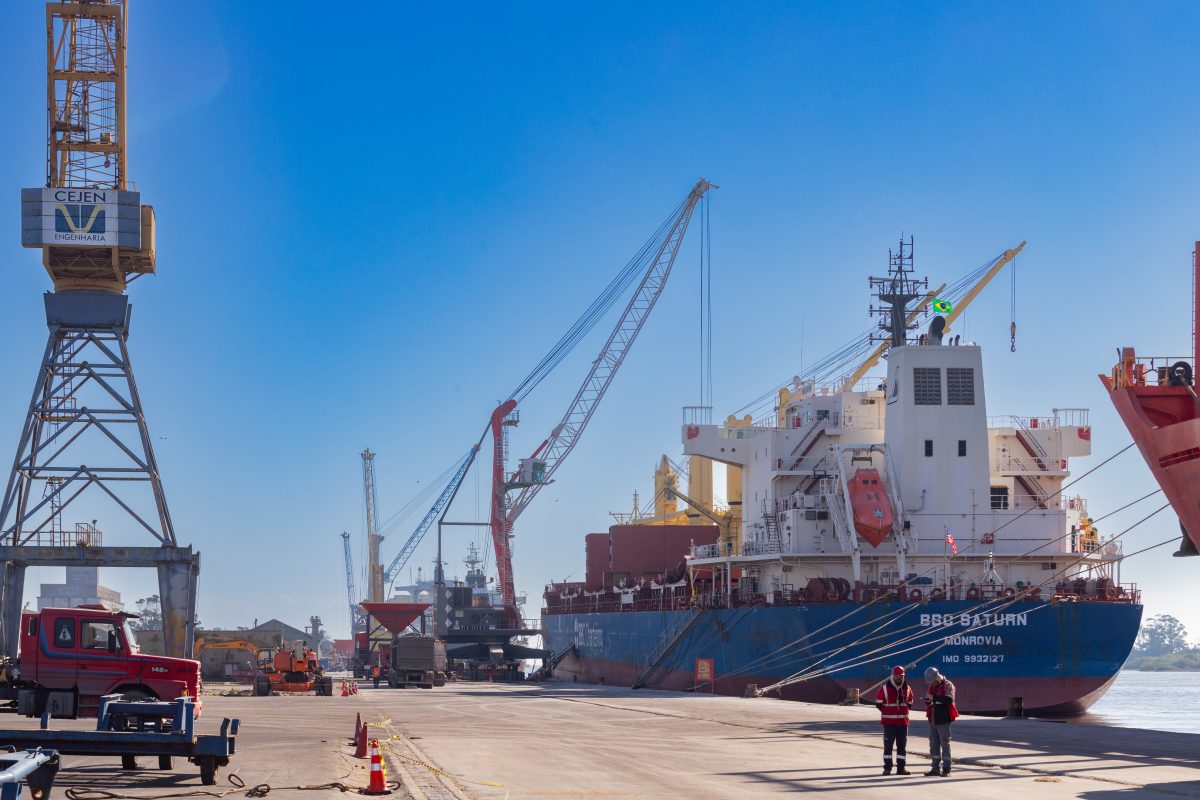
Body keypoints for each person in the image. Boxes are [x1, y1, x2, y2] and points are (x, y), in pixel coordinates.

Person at [874, 665, 914, 775]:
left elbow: (910, 704)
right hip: (889, 723)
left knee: (902, 747)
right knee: (888, 747)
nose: (898, 678)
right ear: (892, 676)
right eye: (896, 676)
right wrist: (887, 712)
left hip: (903, 723)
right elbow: (878, 703)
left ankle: (901, 768)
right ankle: (887, 768)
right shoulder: (884, 689)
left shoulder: (908, 689)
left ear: (903, 676)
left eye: (900, 676)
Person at [923, 666, 958, 776]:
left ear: (937, 678)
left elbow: (949, 699)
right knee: (933, 744)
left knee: (945, 744)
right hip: (933, 719)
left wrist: (933, 698)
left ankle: (946, 769)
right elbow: (930, 701)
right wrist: (927, 701)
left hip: (944, 719)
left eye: (932, 682)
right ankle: (935, 769)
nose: (930, 684)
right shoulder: (931, 686)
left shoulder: (948, 685)